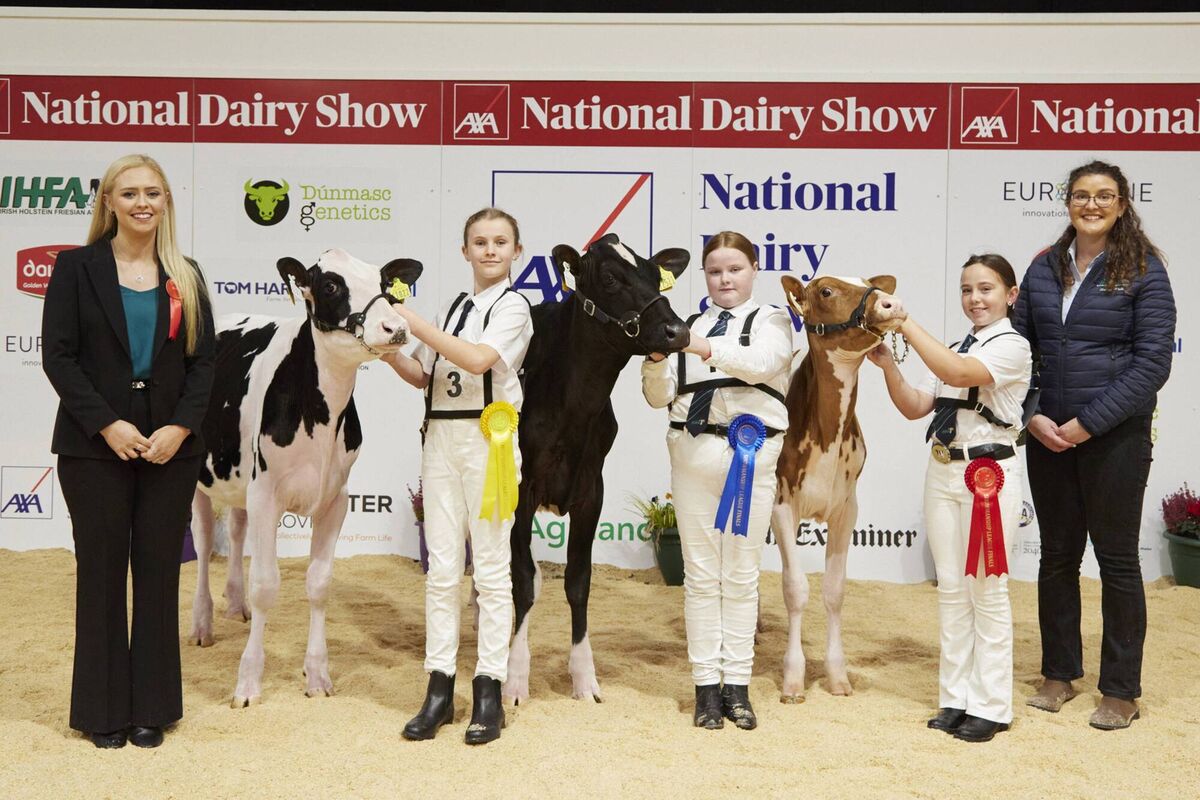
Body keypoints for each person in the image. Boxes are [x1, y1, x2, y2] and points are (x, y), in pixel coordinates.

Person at [41, 154, 215, 749]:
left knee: (160, 574)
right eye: (131, 192)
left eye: (154, 193)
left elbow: (203, 364)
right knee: (102, 574)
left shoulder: (185, 273)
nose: (143, 203)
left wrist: (181, 428)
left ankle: (154, 709)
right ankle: (102, 712)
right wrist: (106, 424)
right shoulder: (76, 269)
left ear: (167, 201)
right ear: (109, 202)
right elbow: (58, 357)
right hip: (95, 448)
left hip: (172, 449)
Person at [1014, 160, 1176, 731]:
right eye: (1081, 195)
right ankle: (1059, 673)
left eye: (1104, 196)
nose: (1092, 204)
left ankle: (1120, 690)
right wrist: (1032, 415)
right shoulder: (1042, 268)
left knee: (1117, 561)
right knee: (1056, 557)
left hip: (1115, 438)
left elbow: (1153, 362)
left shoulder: (1145, 270)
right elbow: (1014, 350)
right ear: (1067, 203)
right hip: (1046, 435)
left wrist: (1087, 423)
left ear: (1123, 203)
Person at [868, 254, 1030, 743]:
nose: (975, 299)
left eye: (985, 288)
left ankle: (991, 705)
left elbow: (959, 375)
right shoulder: (956, 344)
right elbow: (917, 406)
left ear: (1010, 295)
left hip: (988, 473)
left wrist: (904, 322)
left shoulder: (1012, 346)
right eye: (966, 290)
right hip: (943, 470)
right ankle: (955, 697)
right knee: (952, 588)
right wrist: (888, 366)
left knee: (988, 589)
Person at [385, 207, 533, 745]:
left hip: (488, 443)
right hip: (440, 440)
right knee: (442, 570)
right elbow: (426, 374)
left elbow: (475, 360)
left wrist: (413, 321)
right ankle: (439, 686)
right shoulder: (453, 305)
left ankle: (488, 687)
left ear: (518, 251)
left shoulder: (515, 306)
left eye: (500, 241)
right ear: (464, 250)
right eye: (479, 241)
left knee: (492, 569)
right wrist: (388, 349)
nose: (490, 250)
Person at [641, 231, 792, 730]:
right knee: (700, 576)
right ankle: (706, 687)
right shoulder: (684, 324)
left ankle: (738, 687)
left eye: (735, 269)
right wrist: (657, 358)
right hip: (690, 451)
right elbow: (658, 397)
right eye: (714, 271)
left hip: (748, 452)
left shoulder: (770, 319)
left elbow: (761, 366)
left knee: (742, 574)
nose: (724, 279)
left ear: (754, 269)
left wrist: (695, 344)